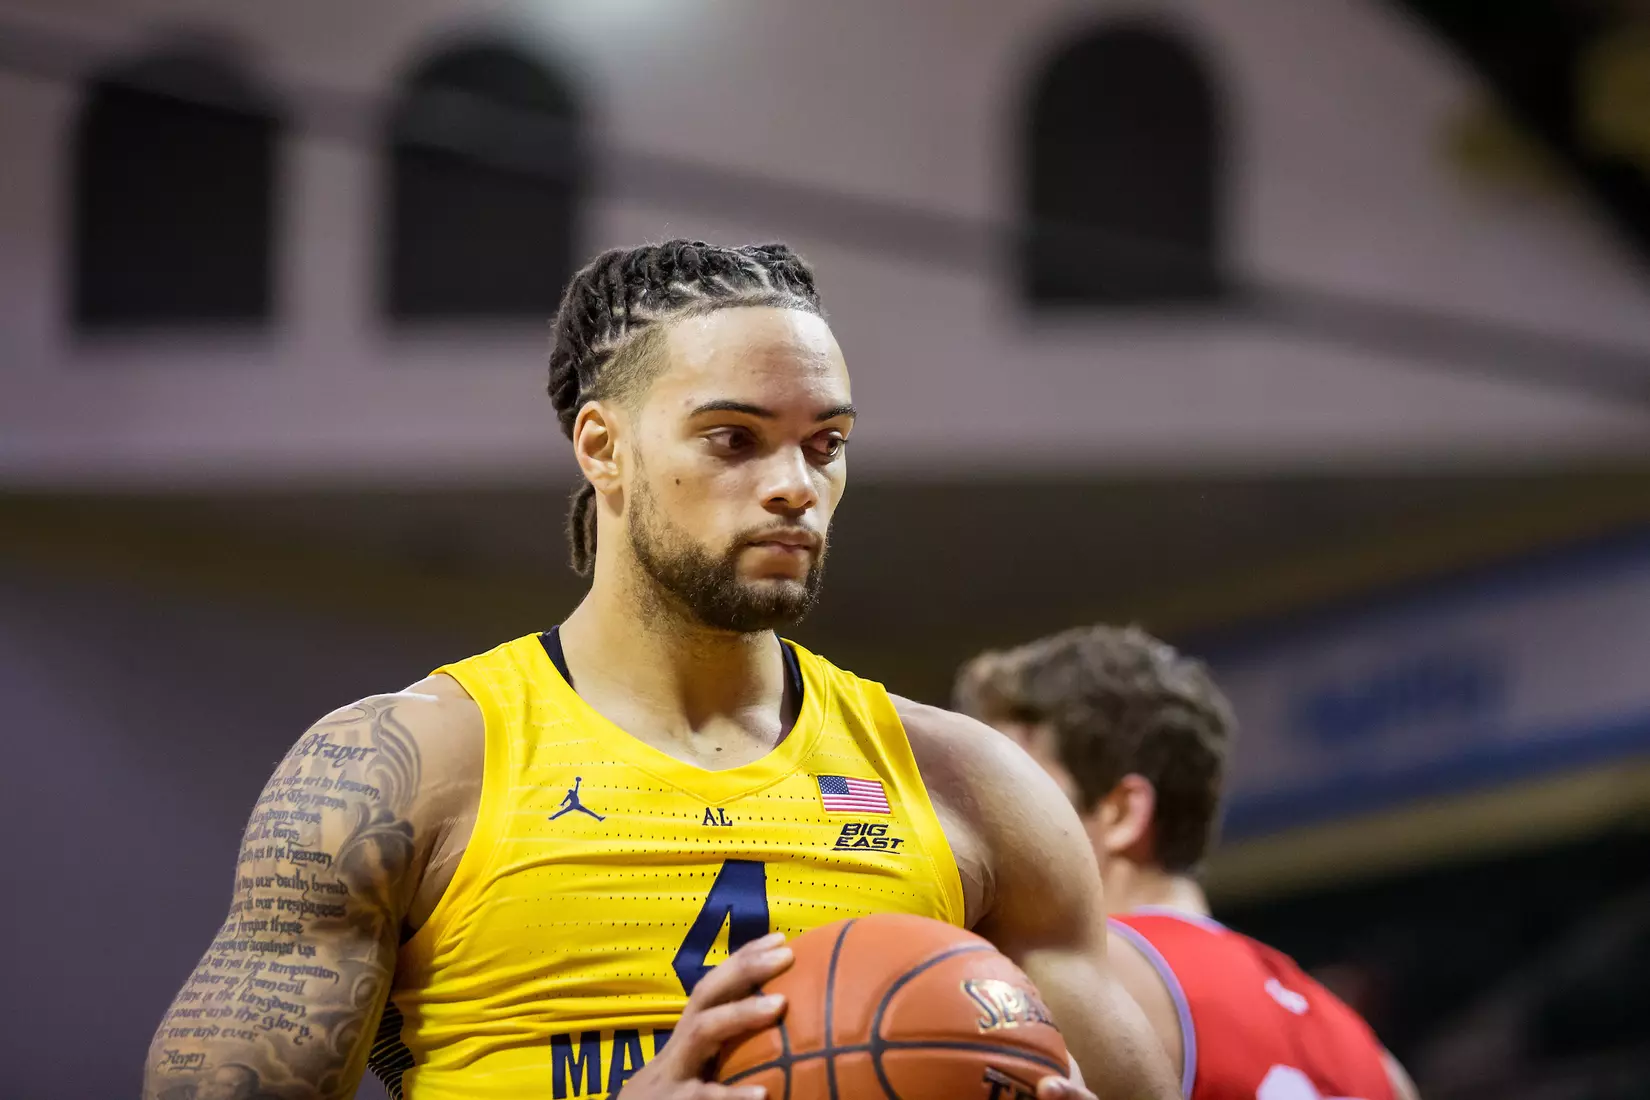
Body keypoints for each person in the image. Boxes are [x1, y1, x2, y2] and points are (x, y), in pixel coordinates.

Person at [143, 241, 1180, 1100]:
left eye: (825, 444)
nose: (793, 486)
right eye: (734, 437)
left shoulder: (974, 785)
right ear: (604, 446)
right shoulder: (400, 765)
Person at [955, 625, 1422, 1100]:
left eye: (1014, 790)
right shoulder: (1378, 1061)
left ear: (1120, 814)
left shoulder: (1065, 970)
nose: (987, 820)